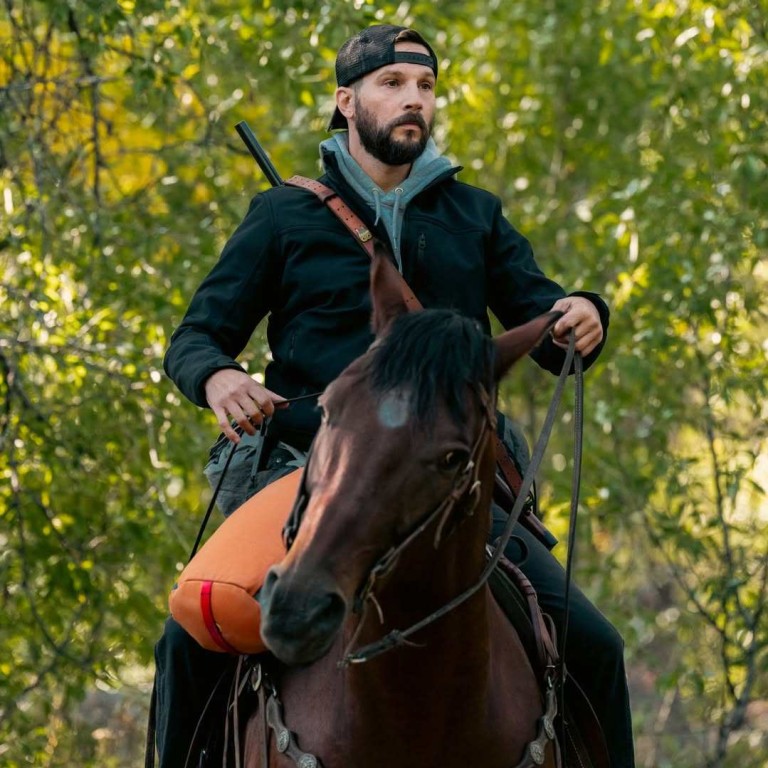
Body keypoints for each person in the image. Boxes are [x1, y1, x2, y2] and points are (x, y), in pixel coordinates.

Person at [156, 24, 635, 767]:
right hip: (311, 471)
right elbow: (194, 338)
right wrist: (219, 376)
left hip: (446, 483)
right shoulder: (283, 215)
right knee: (186, 640)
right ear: (346, 101)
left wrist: (585, 314)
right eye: (392, 84)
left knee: (597, 646)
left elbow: (546, 331)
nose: (414, 100)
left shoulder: (475, 214)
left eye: (426, 87)